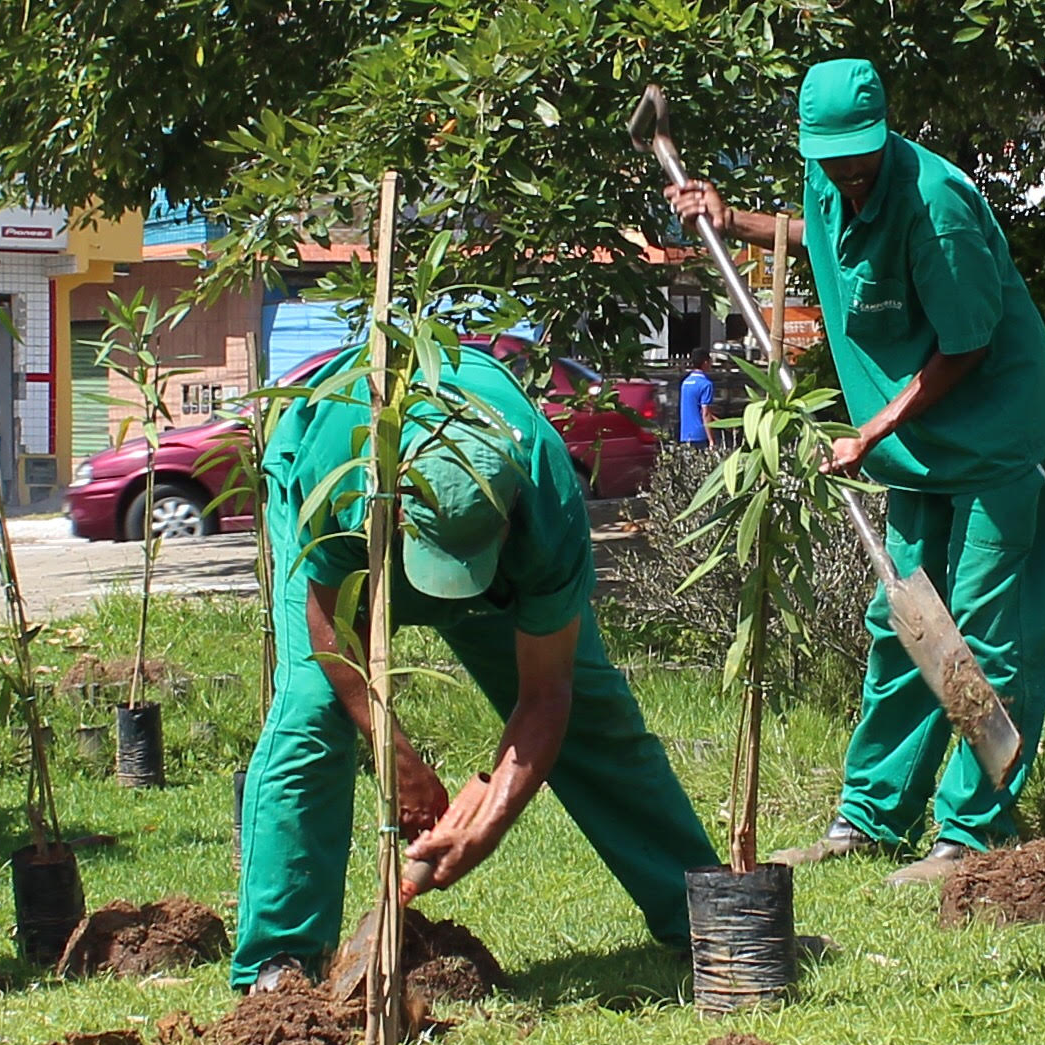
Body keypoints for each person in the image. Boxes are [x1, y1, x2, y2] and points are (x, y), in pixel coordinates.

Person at [667, 55, 1045, 875]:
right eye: (831, 157)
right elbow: (815, 232)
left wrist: (868, 433)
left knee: (986, 632)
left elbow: (967, 346)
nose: (847, 173)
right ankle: (872, 819)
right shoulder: (829, 180)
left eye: (859, 155)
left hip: (995, 438)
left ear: (884, 132)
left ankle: (971, 833)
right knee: (900, 624)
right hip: (917, 450)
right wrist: (729, 215)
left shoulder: (937, 208)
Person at [230, 333, 721, 992]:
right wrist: (392, 753)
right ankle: (279, 963)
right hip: (350, 534)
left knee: (594, 714)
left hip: (502, 561)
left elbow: (547, 694)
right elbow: (330, 629)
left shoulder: (545, 494)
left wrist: (490, 817)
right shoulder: (340, 469)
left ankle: (706, 919)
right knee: (312, 714)